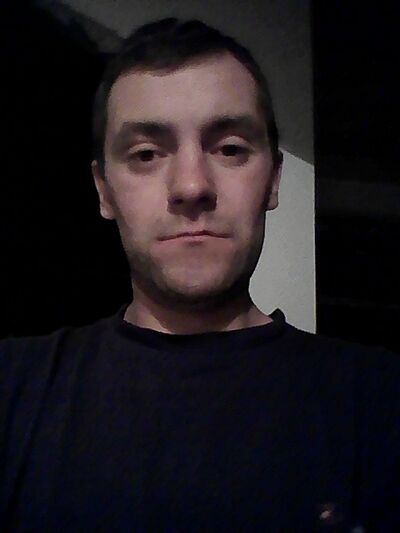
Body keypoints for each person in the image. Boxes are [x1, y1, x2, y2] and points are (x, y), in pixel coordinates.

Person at [1, 18, 399, 532]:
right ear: (103, 190)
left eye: (229, 148)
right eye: (146, 154)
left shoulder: (381, 402)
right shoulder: (13, 388)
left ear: (273, 180)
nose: (191, 186)